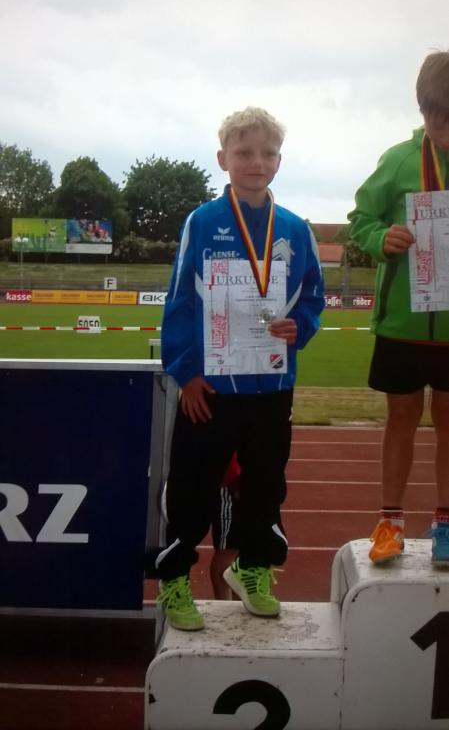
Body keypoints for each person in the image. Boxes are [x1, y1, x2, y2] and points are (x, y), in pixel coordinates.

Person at [147, 106, 324, 631]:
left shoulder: (295, 228)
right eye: (244, 152)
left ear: (279, 161)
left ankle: (253, 567)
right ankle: (175, 577)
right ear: (223, 158)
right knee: (192, 486)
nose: (256, 162)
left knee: (266, 485)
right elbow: (179, 300)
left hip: (271, 384)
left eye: (268, 153)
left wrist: (300, 326)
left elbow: (313, 297)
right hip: (211, 387)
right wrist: (185, 373)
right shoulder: (202, 222)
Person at [348, 51, 449, 568]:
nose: (446, 131)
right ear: (423, 109)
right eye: (439, 119)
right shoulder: (398, 160)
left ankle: (446, 524)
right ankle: (389, 522)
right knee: (402, 417)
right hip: (402, 323)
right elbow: (360, 219)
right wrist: (381, 237)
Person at [209, 452, 241, 600]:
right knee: (228, 551)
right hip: (229, 488)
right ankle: (224, 605)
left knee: (242, 552)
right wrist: (233, 480)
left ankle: (238, 603)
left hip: (244, 484)